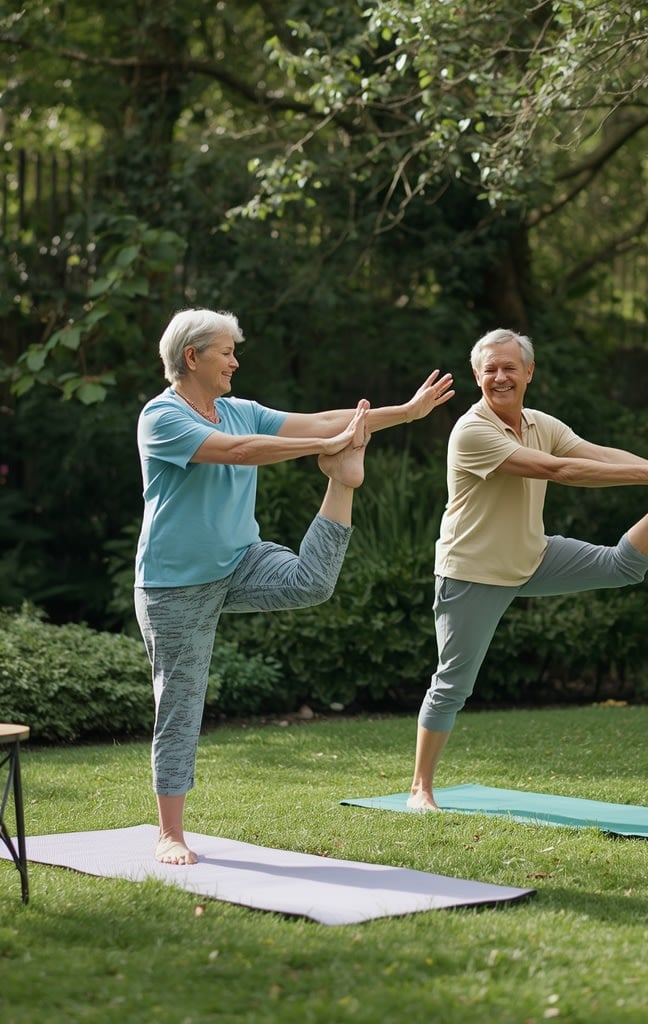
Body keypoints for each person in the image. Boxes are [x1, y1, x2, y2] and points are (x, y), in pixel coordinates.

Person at [135, 307, 455, 864]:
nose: (236, 360)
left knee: (312, 581)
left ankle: (343, 484)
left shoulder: (240, 410)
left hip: (239, 560)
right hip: (175, 585)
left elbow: (321, 420)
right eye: (226, 352)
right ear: (192, 357)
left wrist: (402, 414)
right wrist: (328, 443)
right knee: (180, 703)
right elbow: (239, 452)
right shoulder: (162, 418)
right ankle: (170, 832)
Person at [407, 328, 648, 811]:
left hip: (531, 555)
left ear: (529, 372)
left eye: (510, 367)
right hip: (473, 572)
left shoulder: (539, 422)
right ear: (476, 376)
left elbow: (593, 454)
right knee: (452, 684)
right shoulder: (471, 431)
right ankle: (421, 789)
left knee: (622, 567)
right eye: (491, 369)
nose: (500, 377)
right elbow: (558, 471)